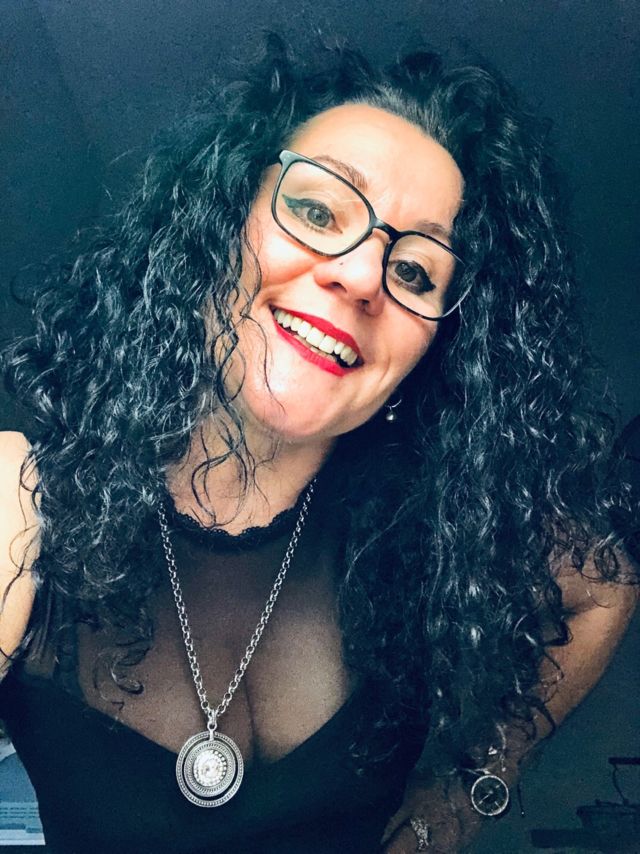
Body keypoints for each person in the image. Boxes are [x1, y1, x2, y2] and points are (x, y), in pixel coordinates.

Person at [0, 37, 637, 854]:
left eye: (415, 272)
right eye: (317, 210)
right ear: (213, 230)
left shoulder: (437, 533)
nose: (363, 276)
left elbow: (605, 587)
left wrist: (460, 794)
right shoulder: (27, 500)